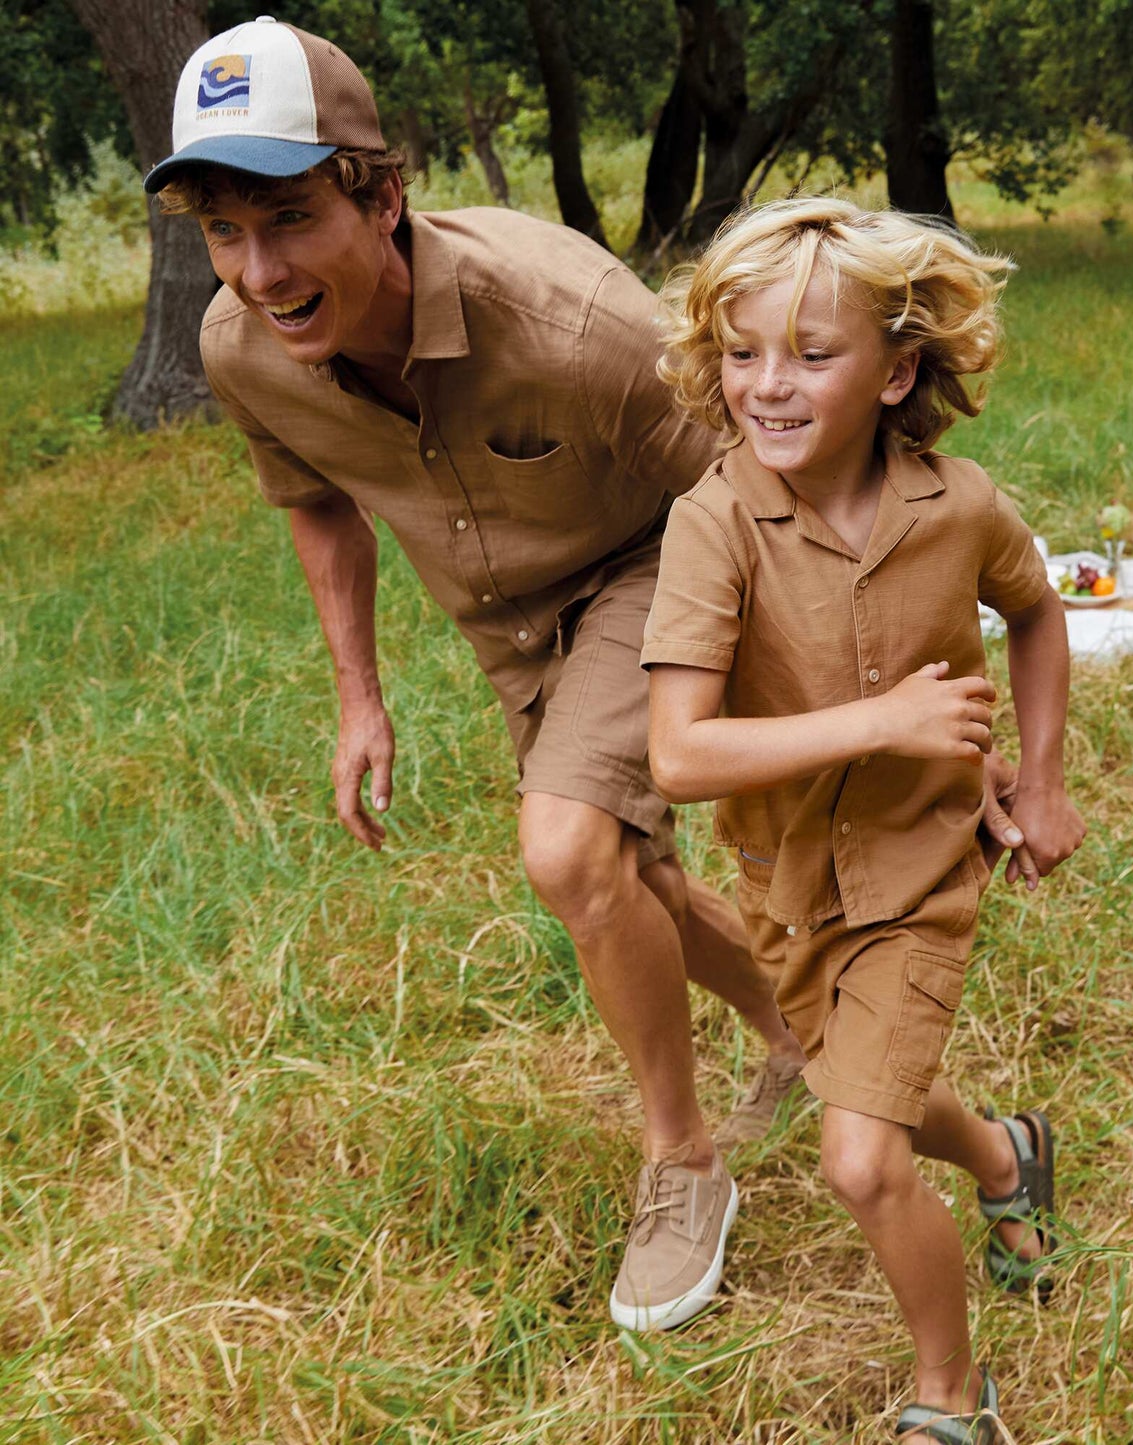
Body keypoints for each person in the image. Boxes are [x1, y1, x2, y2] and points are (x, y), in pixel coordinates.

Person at [142, 15, 815, 1333]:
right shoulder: (238, 347)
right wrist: (357, 697)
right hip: (508, 616)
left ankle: (682, 1164)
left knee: (570, 851)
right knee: (633, 878)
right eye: (223, 232)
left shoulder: (570, 325)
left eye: (286, 219)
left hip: (658, 553)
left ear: (381, 195)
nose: (259, 271)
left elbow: (749, 492)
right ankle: (807, 1031)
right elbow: (321, 503)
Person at [642, 198, 1086, 1439]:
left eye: (808, 354)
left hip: (923, 865)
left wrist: (1040, 780)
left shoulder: (958, 507)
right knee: (867, 1085)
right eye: (740, 353)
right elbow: (678, 755)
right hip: (784, 880)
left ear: (895, 373)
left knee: (857, 1153)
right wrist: (879, 720)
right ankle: (1003, 1152)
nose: (766, 387)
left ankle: (950, 1395)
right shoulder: (712, 525)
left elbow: (1039, 613)